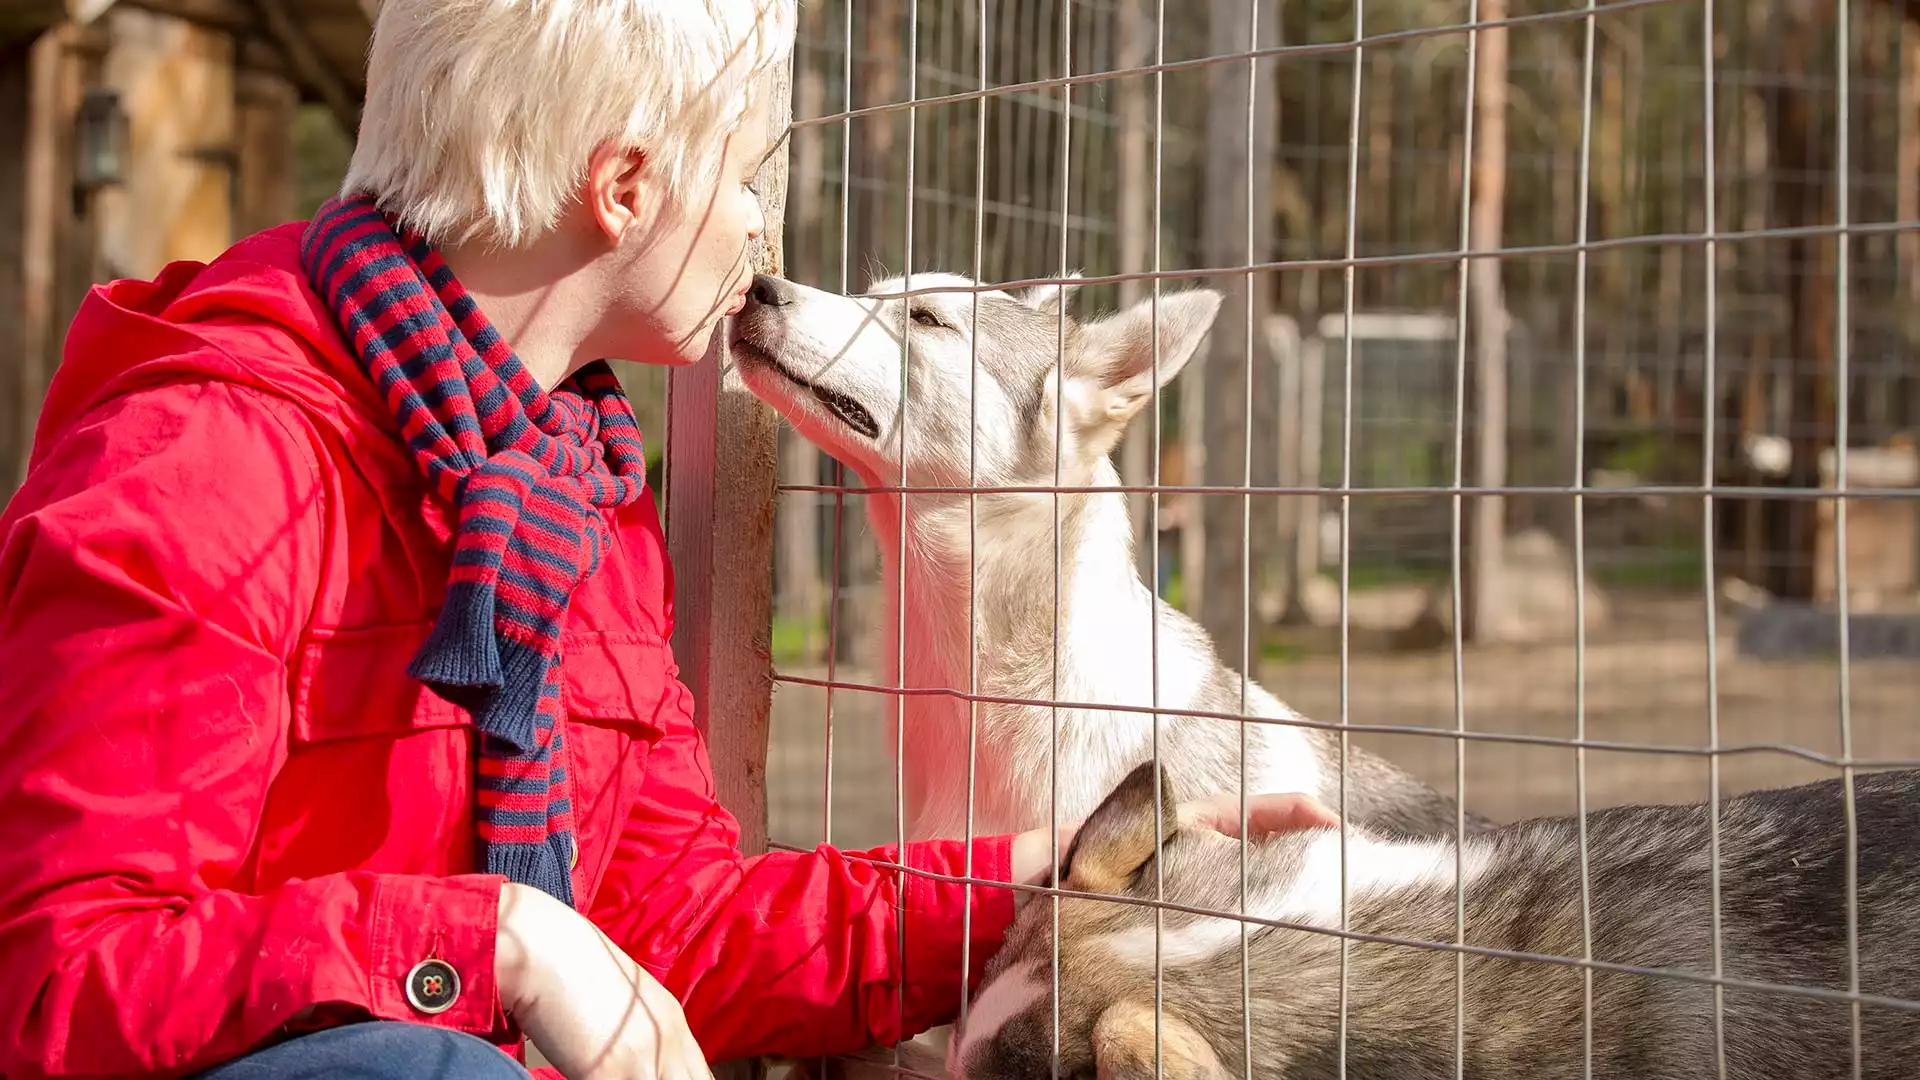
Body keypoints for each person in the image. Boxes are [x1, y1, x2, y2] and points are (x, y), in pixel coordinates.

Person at [0, 2, 1338, 1079]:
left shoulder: (571, 482)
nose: (762, 232)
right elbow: (54, 985)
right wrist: (499, 943)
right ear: (627, 186)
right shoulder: (199, 466)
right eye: (749, 178)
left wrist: (1051, 888)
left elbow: (671, 923)